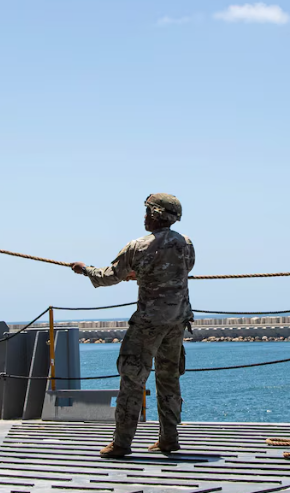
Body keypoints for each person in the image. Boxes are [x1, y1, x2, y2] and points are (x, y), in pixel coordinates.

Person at [71, 193, 195, 458]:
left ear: (155, 215)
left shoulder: (137, 246)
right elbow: (183, 269)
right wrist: (142, 272)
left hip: (148, 323)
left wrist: (85, 269)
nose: (144, 217)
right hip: (177, 321)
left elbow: (109, 276)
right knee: (169, 379)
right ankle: (169, 439)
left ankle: (121, 444)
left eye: (147, 213)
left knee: (132, 379)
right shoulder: (186, 243)